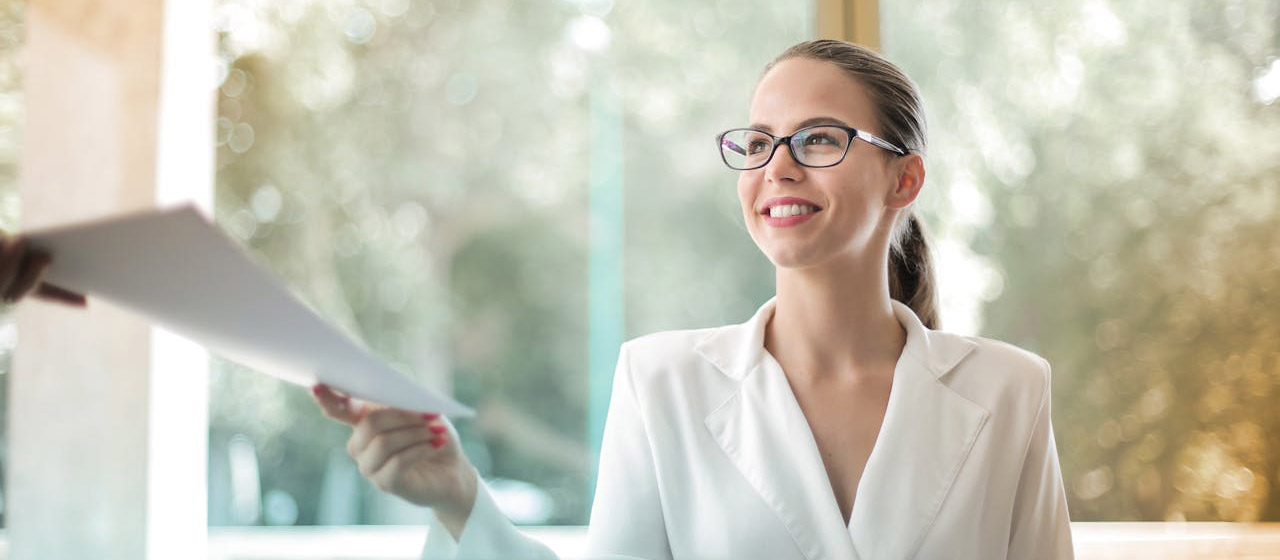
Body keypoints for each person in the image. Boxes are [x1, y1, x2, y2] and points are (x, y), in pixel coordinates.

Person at [5, 39, 1073, 559]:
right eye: (755, 143)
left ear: (902, 179)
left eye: (819, 140)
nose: (777, 165)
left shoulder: (1005, 393)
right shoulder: (660, 378)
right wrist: (459, 497)